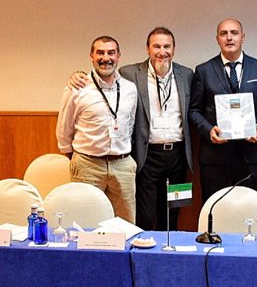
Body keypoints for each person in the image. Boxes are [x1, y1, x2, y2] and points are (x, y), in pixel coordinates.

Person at [68, 27, 194, 231]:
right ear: (148, 49)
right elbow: (101, 76)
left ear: (174, 49)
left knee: (174, 210)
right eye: (156, 46)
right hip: (147, 155)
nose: (162, 51)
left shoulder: (187, 75)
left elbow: (195, 109)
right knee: (144, 214)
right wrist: (76, 75)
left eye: (167, 46)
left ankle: (169, 258)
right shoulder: (130, 73)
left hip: (179, 156)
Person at [189, 18, 257, 202]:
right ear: (217, 39)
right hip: (214, 157)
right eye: (223, 33)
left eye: (234, 33)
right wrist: (208, 130)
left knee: (248, 211)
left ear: (243, 37)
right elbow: (194, 110)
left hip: (250, 155)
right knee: (214, 211)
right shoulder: (203, 70)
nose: (229, 38)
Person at [56, 36, 138, 223]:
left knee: (126, 223)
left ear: (118, 56)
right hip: (88, 165)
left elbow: (130, 123)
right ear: (91, 56)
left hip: (122, 165)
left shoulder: (129, 89)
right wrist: (77, 157)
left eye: (111, 52)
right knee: (84, 222)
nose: (105, 58)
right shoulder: (77, 88)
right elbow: (64, 129)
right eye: (100, 52)